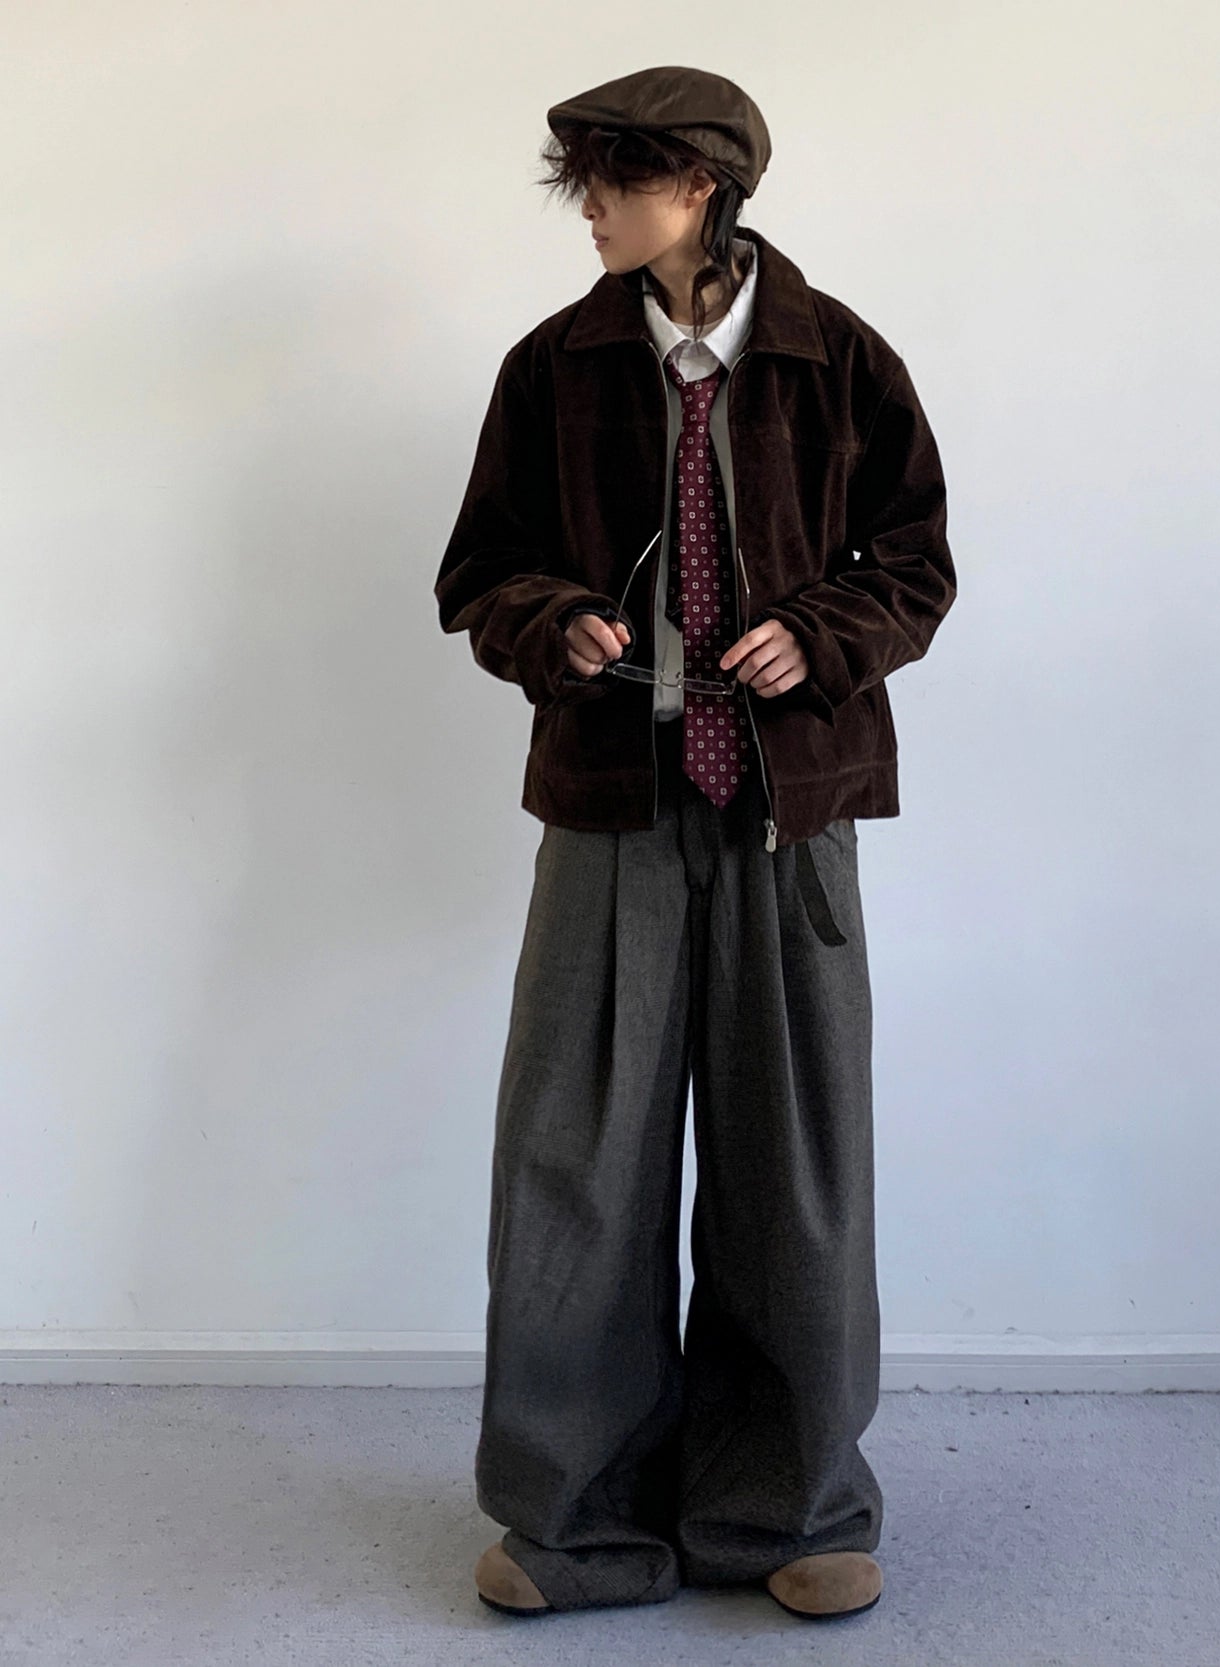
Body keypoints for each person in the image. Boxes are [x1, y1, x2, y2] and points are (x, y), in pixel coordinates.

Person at [434, 64, 956, 1621]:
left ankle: (787, 1511)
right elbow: (480, 571)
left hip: (789, 814)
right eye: (584, 183)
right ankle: (574, 1522)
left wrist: (824, 633)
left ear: (700, 185)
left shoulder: (835, 356)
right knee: (574, 1163)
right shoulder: (552, 367)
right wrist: (553, 621)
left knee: (794, 1167)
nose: (588, 210)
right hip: (611, 805)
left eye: (612, 181)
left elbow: (914, 560)